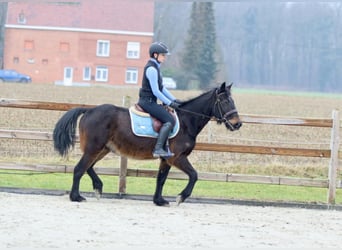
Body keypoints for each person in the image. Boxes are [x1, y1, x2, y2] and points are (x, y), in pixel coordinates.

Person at [138, 42, 181, 158]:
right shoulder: (151, 69)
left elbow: (162, 88)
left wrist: (175, 100)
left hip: (150, 101)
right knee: (169, 120)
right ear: (155, 55)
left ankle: (164, 147)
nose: (165, 58)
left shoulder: (156, 68)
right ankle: (158, 149)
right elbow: (156, 91)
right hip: (147, 102)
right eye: (163, 55)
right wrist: (169, 103)